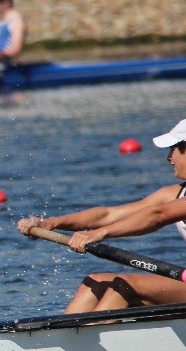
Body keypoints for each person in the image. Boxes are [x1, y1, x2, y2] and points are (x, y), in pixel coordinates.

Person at [17, 119, 186, 314]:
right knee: (94, 282)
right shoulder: (174, 193)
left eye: (173, 148)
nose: (168, 157)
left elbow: (157, 215)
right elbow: (108, 214)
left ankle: (89, 336)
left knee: (124, 285)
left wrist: (99, 234)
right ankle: (63, 338)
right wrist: (50, 222)